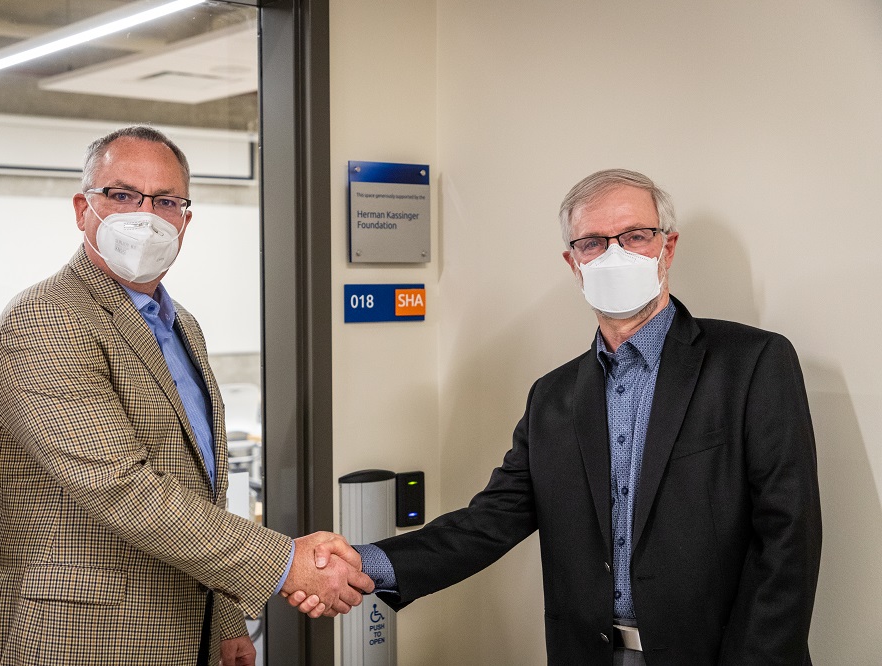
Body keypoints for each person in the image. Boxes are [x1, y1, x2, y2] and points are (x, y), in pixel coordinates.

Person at [291, 169, 822, 665]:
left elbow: (788, 537)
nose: (614, 255)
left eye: (635, 236)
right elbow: (489, 522)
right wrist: (361, 564)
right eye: (592, 242)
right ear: (573, 263)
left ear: (668, 246)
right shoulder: (554, 398)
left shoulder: (751, 363)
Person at [0, 126, 372, 666]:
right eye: (121, 196)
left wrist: (227, 619)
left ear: (185, 220)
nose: (144, 217)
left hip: (190, 628)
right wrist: (288, 563)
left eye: (165, 201)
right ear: (81, 208)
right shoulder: (45, 319)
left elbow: (198, 485)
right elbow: (120, 487)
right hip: (81, 636)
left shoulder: (179, 324)